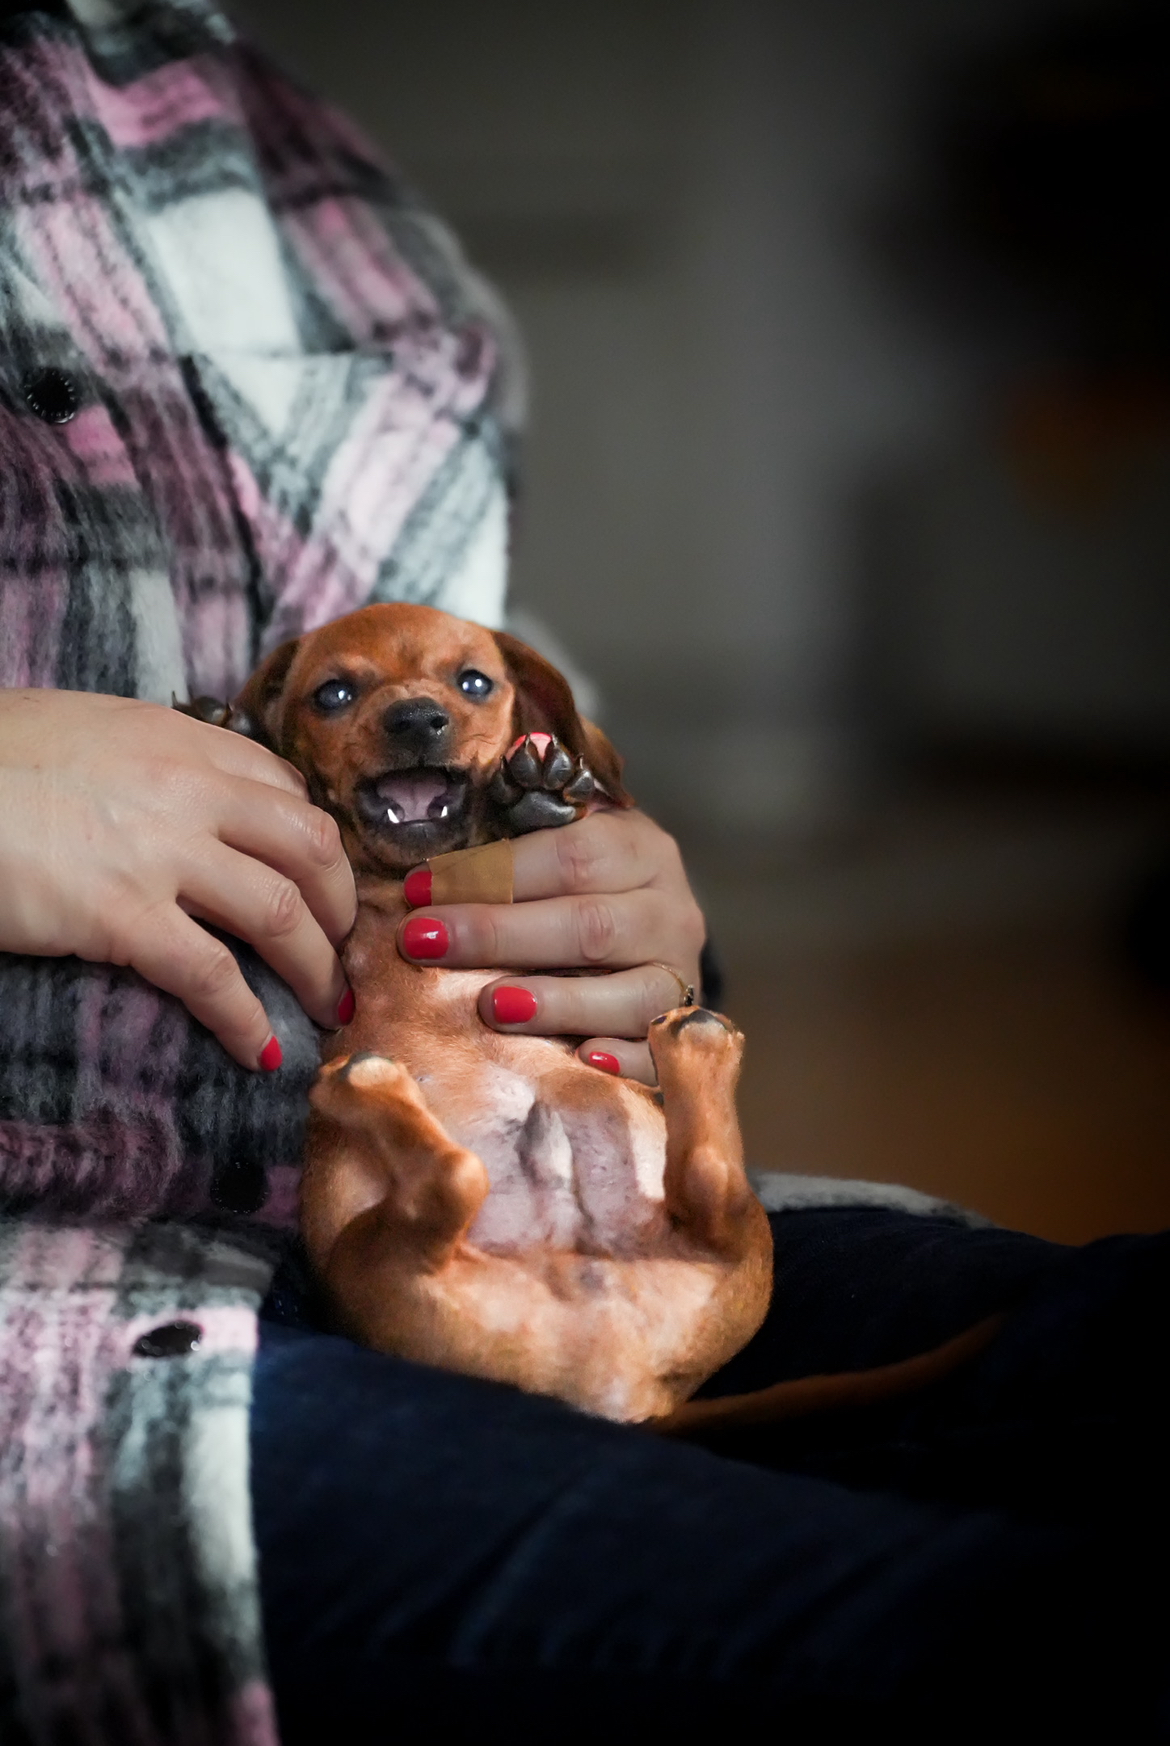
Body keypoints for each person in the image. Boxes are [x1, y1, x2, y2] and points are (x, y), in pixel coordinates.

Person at [0, 3, 1166, 1741]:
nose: (413, 715)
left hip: (558, 1237)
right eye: (348, 704)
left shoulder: (279, 149)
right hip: (69, 1332)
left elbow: (488, 689)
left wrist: (630, 923)